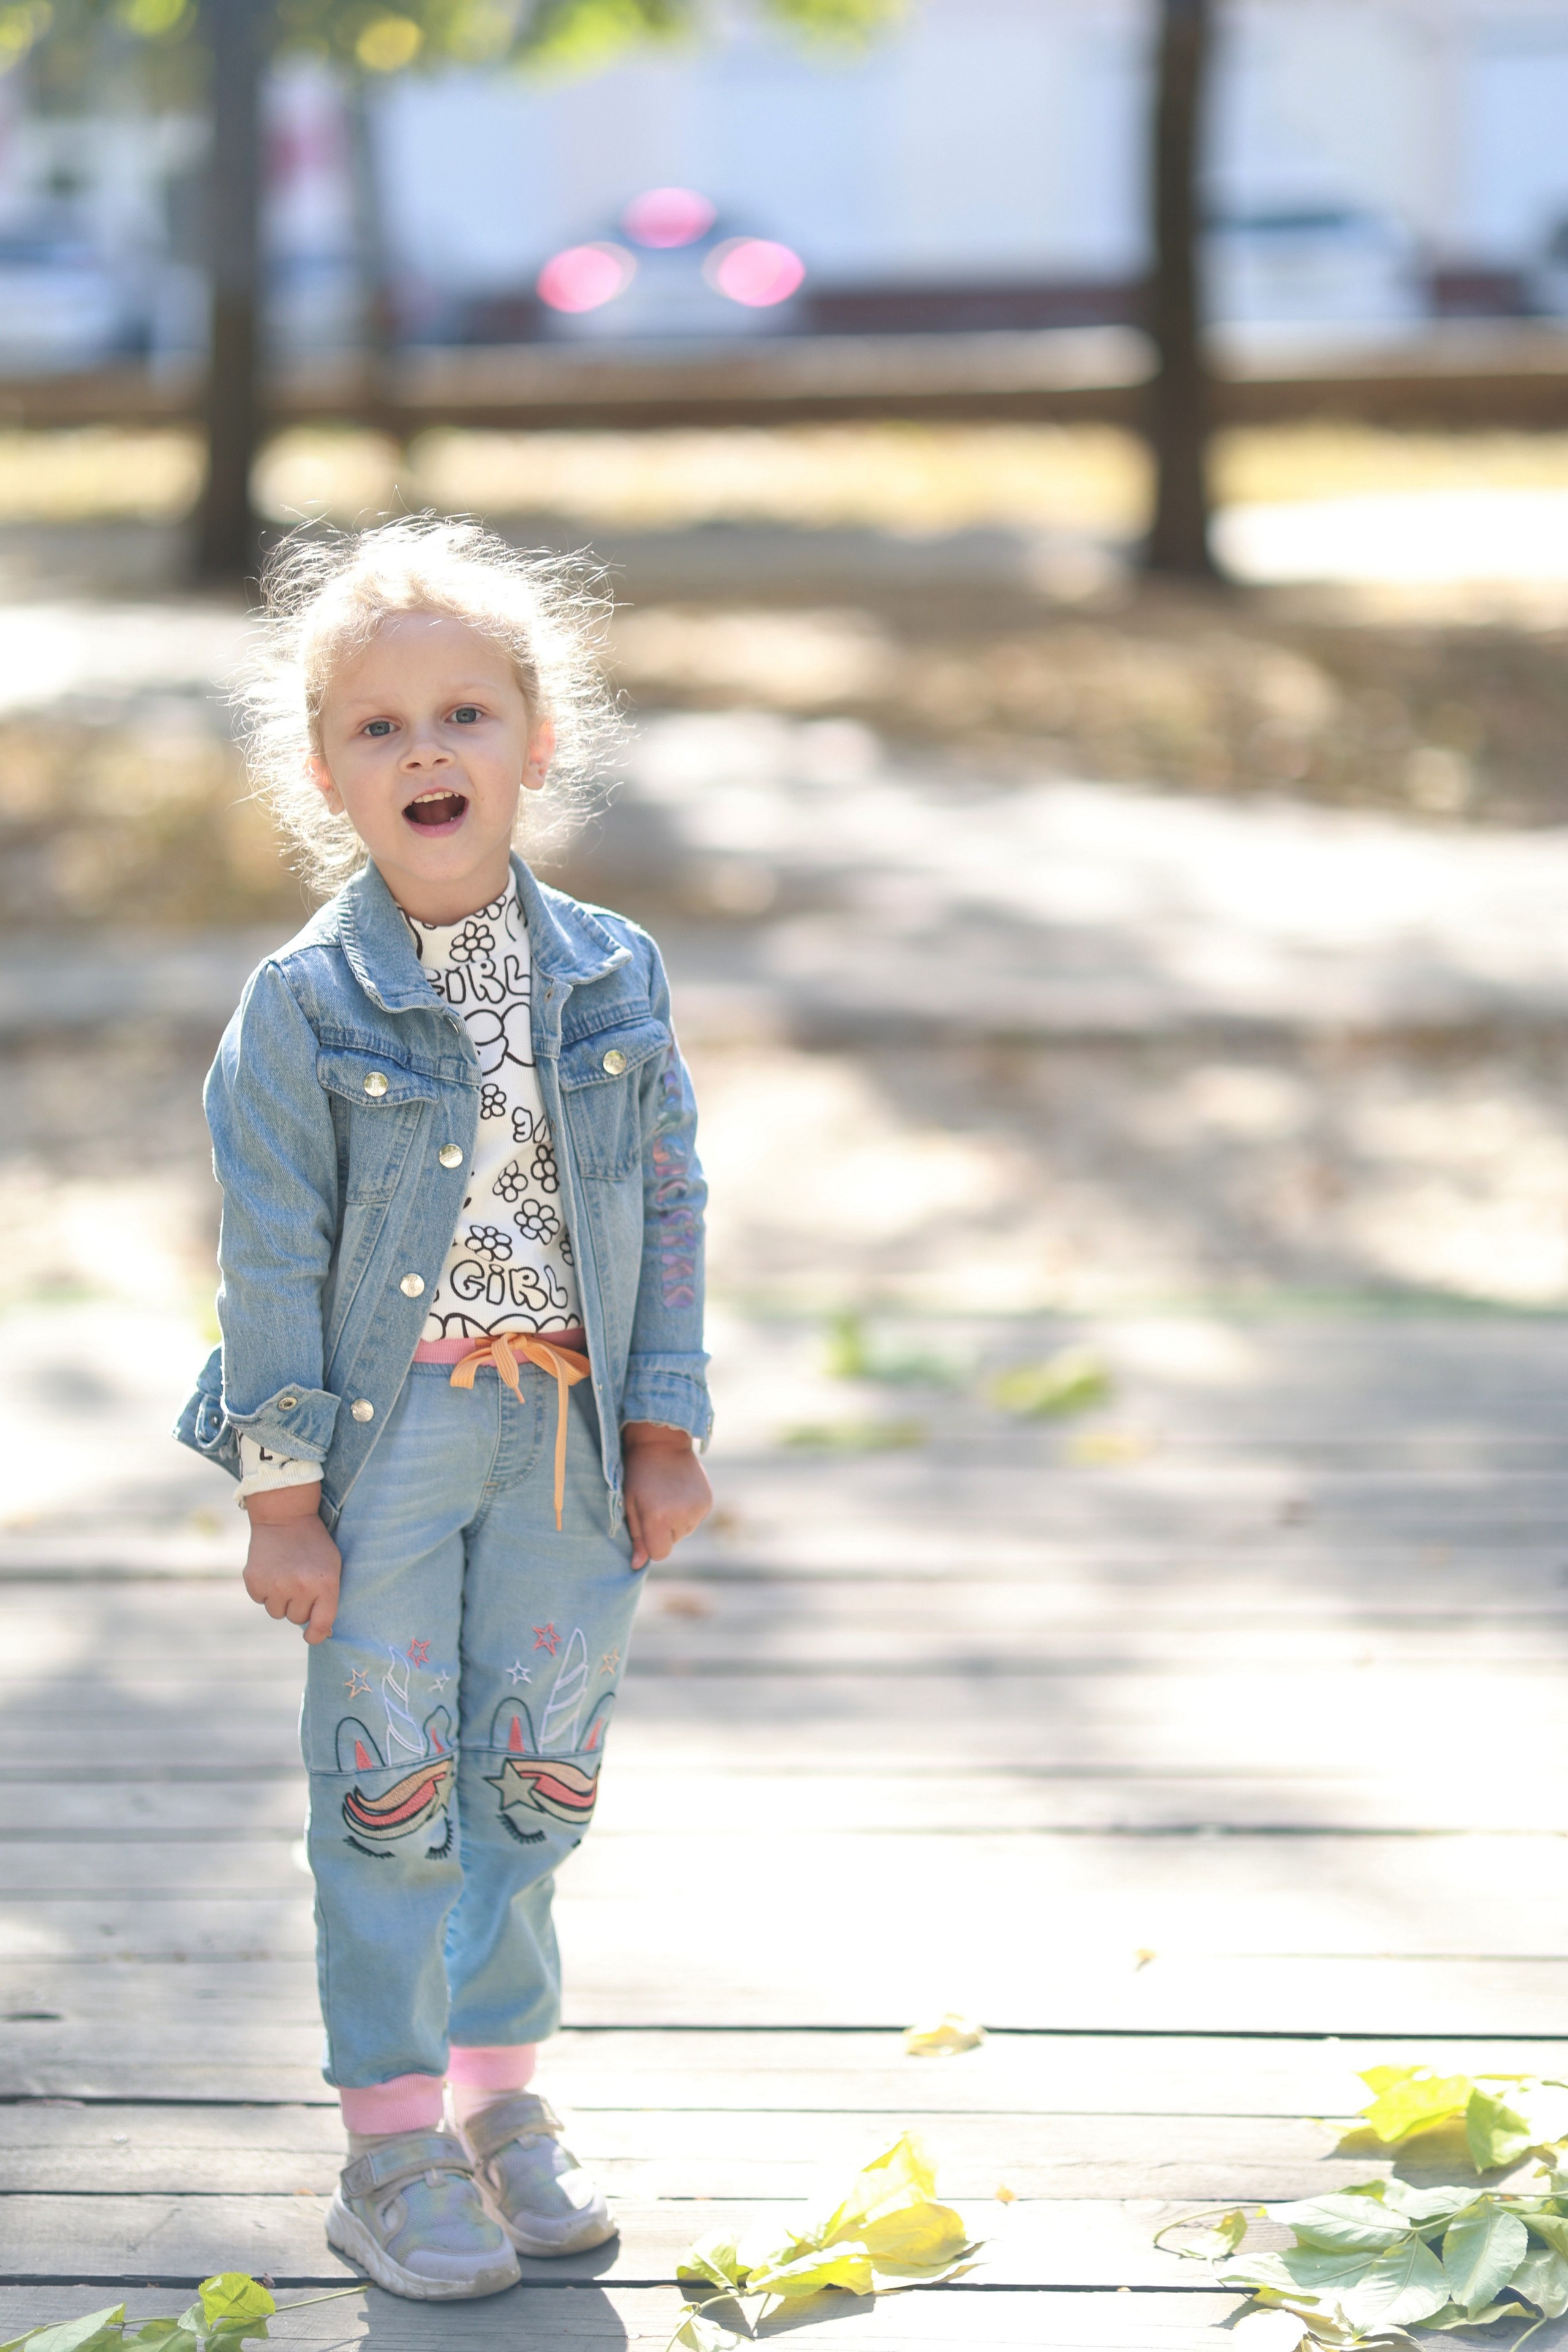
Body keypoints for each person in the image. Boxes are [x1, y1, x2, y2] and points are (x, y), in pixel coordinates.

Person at [176, 516, 712, 2301]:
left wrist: (663, 1424)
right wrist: (280, 1495)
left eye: (468, 714)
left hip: (566, 1442)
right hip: (389, 1447)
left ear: (536, 744)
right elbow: (268, 1259)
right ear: (326, 769)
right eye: (383, 726)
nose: (429, 751)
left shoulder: (611, 975)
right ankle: (390, 2142)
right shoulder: (302, 1009)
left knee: (535, 1782)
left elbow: (670, 1200)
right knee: (391, 1782)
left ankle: (500, 2100)